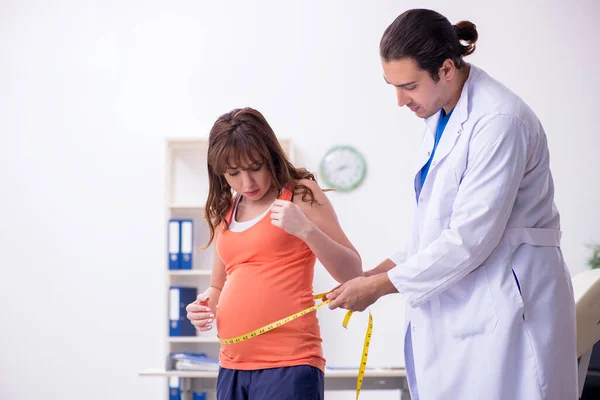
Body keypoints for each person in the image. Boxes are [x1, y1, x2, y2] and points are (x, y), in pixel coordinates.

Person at [326, 8, 578, 400]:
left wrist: (377, 287)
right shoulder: (443, 116)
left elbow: (468, 239)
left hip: (511, 307)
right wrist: (371, 275)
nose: (399, 100)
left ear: (446, 69)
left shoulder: (498, 121)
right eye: (392, 85)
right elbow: (433, 230)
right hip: (470, 307)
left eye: (408, 86)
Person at [185, 107, 363, 400]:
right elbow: (218, 285)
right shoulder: (225, 210)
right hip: (231, 364)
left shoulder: (300, 194)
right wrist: (204, 305)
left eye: (255, 168)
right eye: (234, 173)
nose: (247, 183)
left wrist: (305, 230)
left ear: (271, 157)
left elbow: (353, 273)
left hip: (290, 363)